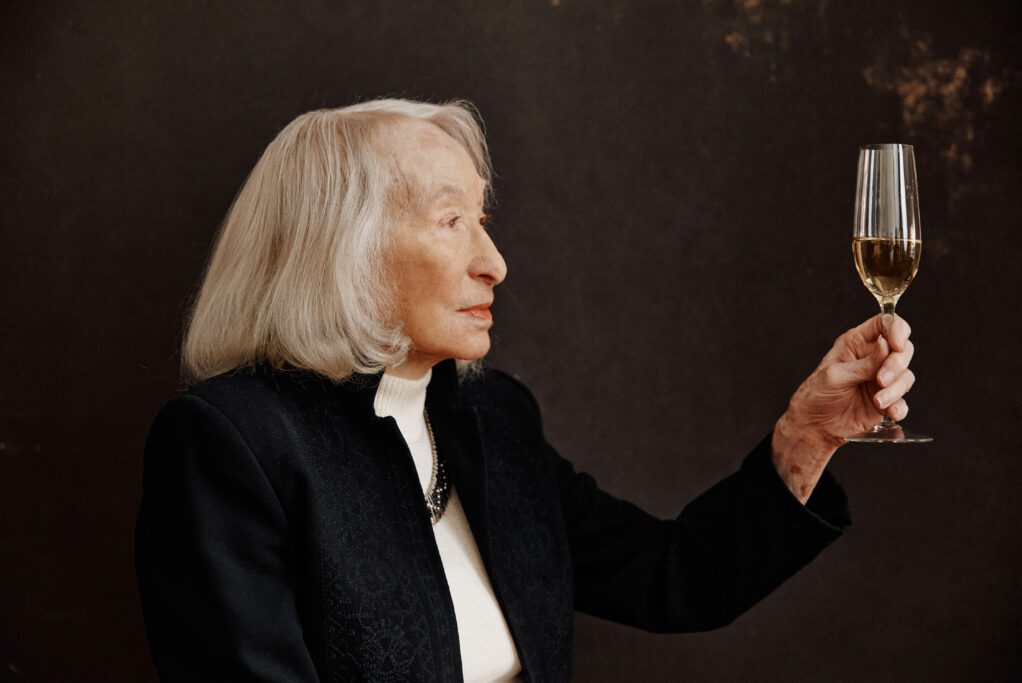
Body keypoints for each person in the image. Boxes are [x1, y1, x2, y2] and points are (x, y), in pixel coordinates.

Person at [134, 98, 916, 682]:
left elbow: (675, 578)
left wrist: (808, 433)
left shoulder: (493, 415)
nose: (495, 262)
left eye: (484, 219)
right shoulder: (229, 440)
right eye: (452, 221)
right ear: (343, 248)